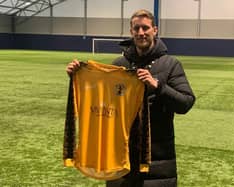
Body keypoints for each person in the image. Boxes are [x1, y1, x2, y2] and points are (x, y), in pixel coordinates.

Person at [66, 9, 195, 187]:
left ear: (155, 30)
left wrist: (158, 86)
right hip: (120, 158)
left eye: (145, 28)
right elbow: (101, 98)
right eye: (137, 28)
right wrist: (77, 76)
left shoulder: (171, 64)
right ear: (131, 31)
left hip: (157, 160)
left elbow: (186, 103)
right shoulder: (119, 66)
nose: (141, 33)